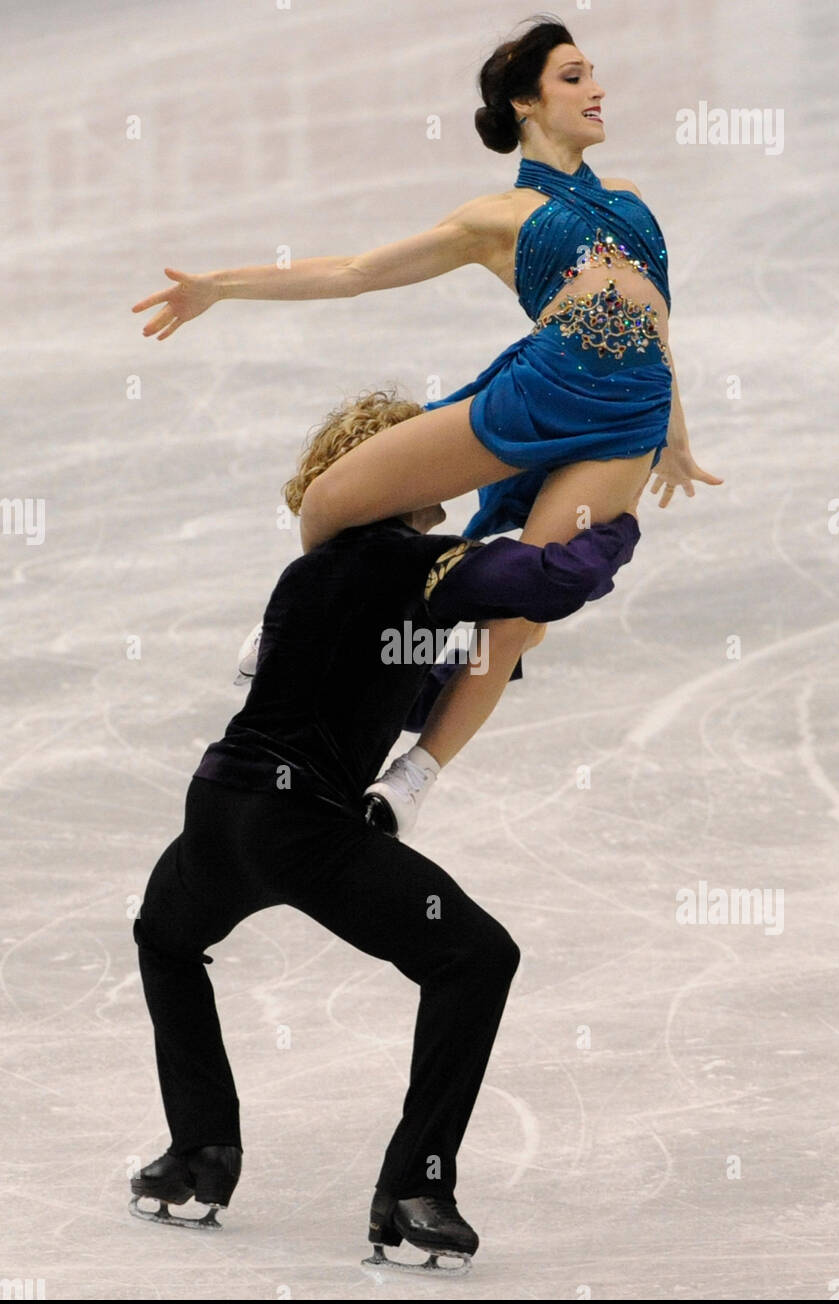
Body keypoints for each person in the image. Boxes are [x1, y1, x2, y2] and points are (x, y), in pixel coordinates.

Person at [131, 16, 722, 837]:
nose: (596, 89)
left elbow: (658, 320)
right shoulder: (497, 217)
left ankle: (413, 776)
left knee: (517, 618)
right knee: (333, 501)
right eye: (572, 76)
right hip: (536, 392)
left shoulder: (632, 208)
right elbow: (354, 273)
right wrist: (220, 287)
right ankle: (296, 628)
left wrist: (677, 434)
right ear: (524, 101)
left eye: (592, 74)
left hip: (627, 421)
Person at [129, 387, 642, 1273]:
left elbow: (384, 680)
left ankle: (201, 1153)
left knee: (165, 938)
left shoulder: (310, 574)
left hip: (216, 816)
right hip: (303, 831)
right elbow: (558, 579)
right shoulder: (415, 565)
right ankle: (416, 1188)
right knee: (475, 957)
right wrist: (618, 515)